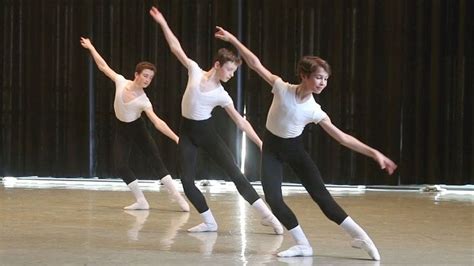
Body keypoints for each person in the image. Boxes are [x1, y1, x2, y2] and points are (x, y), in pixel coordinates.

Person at [215, 27, 397, 260]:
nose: (322, 83)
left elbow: (342, 137)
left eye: (326, 79)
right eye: (319, 77)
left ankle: (360, 236)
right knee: (273, 199)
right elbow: (254, 63)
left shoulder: (314, 110)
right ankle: (302, 244)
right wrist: (232, 39)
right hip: (271, 150)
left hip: (294, 151)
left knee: (322, 198)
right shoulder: (281, 88)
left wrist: (374, 153)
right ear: (304, 75)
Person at [149, 6, 283, 234]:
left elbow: (241, 122)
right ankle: (209, 221)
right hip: (187, 133)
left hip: (206, 133)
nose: (231, 75)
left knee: (234, 173)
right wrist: (162, 22)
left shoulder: (222, 95)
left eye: (234, 71)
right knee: (187, 182)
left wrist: (261, 143)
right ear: (217, 65)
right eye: (229, 70)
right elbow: (175, 48)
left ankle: (268, 216)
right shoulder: (194, 70)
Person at [80, 37, 189, 212]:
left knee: (156, 161)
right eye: (145, 76)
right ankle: (141, 201)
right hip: (122, 129)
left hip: (138, 129)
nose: (147, 80)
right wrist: (91, 47)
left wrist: (176, 138)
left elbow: (157, 122)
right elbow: (103, 66)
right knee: (120, 165)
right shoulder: (121, 81)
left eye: (150, 78)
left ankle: (178, 197)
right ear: (136, 74)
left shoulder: (144, 101)